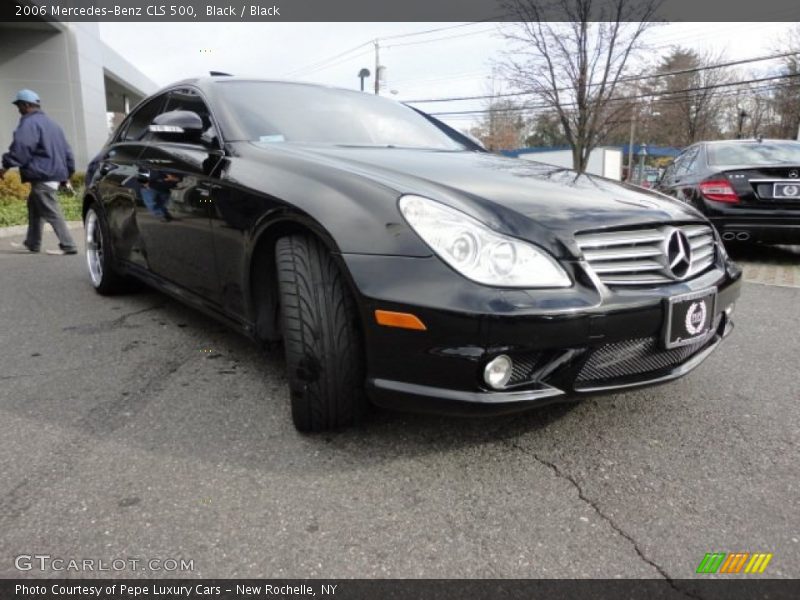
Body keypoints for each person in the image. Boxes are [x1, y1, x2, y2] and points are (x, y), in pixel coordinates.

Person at [0, 89, 78, 255]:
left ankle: (69, 244)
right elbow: (68, 152)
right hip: (52, 175)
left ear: (26, 105)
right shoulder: (53, 125)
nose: (18, 109)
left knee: (51, 210)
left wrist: (5, 166)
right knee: (35, 207)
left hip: (43, 175)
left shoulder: (29, 123)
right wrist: (67, 174)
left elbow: (21, 148)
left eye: (19, 106)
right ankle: (32, 243)